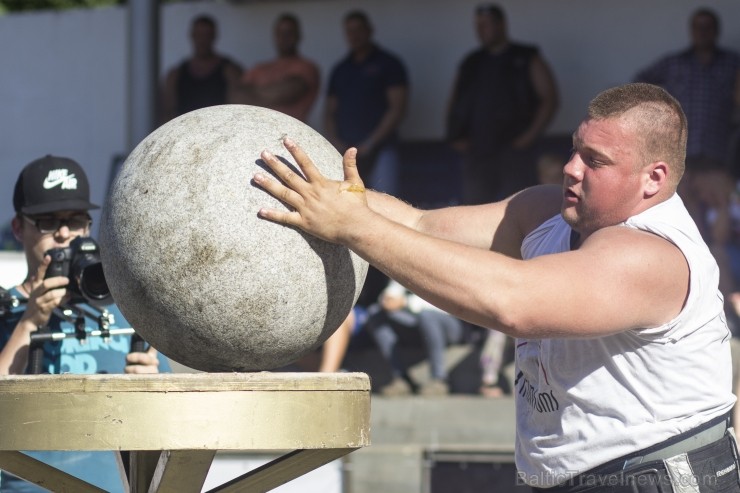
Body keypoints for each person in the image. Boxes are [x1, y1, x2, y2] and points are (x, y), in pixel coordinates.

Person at [254, 83, 738, 491]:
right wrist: (326, 196)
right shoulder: (545, 211)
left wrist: (354, 227)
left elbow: (513, 303)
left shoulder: (653, 255)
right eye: (575, 148)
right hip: (567, 474)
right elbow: (423, 226)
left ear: (653, 179)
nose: (571, 167)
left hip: (653, 475)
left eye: (596, 160)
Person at [0, 155, 169, 492]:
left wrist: (153, 388)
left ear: (89, 228)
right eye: (47, 222)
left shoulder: (126, 310)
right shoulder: (7, 312)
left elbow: (170, 427)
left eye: (75, 220)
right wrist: (30, 320)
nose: (63, 234)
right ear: (19, 228)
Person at [446, 3, 559, 205]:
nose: (481, 30)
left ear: (501, 24)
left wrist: (529, 136)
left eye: (486, 24)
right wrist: (454, 134)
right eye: (478, 25)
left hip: (514, 149)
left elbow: (549, 98)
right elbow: (455, 100)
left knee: (519, 205)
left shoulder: (525, 57)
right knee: (475, 208)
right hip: (478, 149)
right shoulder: (471, 61)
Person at [634, 8, 740, 168]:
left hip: (721, 148)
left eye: (708, 27)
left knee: (716, 191)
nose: (703, 32)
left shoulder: (733, 63)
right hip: (680, 148)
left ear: (716, 31)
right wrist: (659, 110)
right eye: (698, 27)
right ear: (692, 31)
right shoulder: (675, 63)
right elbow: (639, 83)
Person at [324, 10, 409, 196]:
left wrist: (370, 143)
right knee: (349, 205)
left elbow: (397, 109)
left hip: (382, 149)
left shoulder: (389, 64)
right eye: (349, 31)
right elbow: (329, 112)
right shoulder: (340, 69)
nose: (354, 35)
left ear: (369, 30)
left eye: (358, 30)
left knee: (386, 205)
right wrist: (335, 144)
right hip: (346, 153)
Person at [365, 279, 464, 397]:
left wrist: (405, 302)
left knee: (427, 316)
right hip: (416, 321)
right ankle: (402, 378)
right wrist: (387, 299)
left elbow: (447, 302)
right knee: (375, 313)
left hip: (451, 321)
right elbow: (392, 291)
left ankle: (440, 379)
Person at [231, 13, 320, 123]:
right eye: (280, 33)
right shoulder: (259, 68)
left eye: (289, 33)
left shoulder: (306, 67)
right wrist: (273, 93)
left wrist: (252, 93)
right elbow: (236, 97)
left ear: (298, 36)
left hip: (292, 133)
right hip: (257, 132)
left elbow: (287, 93)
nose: (284, 38)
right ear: (274, 36)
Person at [161, 14, 243, 123]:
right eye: (199, 35)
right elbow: (167, 112)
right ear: (192, 36)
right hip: (184, 132)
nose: (202, 40)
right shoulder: (176, 74)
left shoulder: (230, 71)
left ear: (214, 36)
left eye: (207, 35)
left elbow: (240, 110)